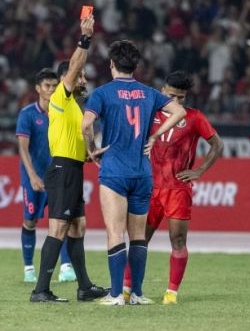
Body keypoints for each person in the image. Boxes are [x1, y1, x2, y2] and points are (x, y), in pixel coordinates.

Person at [82, 40, 186, 306]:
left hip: (115, 171)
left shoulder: (103, 93)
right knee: (138, 236)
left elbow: (86, 124)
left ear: (112, 64)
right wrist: (156, 135)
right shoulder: (149, 93)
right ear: (136, 65)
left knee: (115, 233)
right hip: (142, 173)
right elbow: (179, 111)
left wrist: (92, 149)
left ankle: (117, 294)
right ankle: (137, 294)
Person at [122, 71, 223, 305]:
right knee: (138, 240)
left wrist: (199, 171)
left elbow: (217, 145)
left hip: (177, 189)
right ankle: (128, 289)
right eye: (171, 96)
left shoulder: (195, 118)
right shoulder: (148, 113)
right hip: (148, 187)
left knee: (177, 241)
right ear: (162, 92)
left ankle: (171, 293)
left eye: (181, 98)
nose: (176, 102)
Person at [29, 16, 107, 303]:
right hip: (62, 170)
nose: (84, 80)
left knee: (77, 227)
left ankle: (84, 287)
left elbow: (75, 138)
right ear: (68, 79)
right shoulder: (61, 98)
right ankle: (40, 290)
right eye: (81, 76)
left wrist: (89, 153)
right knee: (58, 228)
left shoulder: (74, 106)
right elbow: (74, 67)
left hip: (72, 168)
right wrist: (84, 39)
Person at [17, 68, 77, 283]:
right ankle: (28, 269)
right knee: (30, 221)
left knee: (62, 220)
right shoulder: (28, 115)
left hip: (58, 177)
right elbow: (23, 148)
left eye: (54, 86)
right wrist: (32, 176)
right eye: (47, 86)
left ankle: (66, 267)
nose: (51, 89)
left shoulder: (62, 110)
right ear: (38, 88)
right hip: (33, 178)